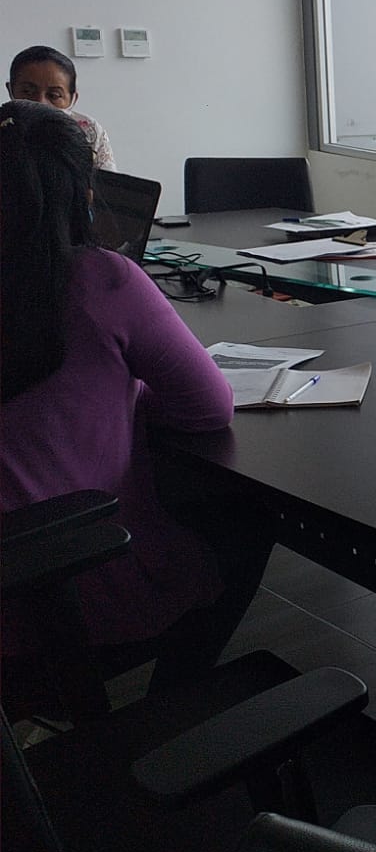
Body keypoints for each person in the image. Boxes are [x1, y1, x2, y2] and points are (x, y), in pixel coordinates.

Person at [0, 101, 265, 693]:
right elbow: (208, 408)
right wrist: (129, 390)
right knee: (244, 519)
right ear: (85, 195)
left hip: (24, 571)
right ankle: (168, 712)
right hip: (57, 590)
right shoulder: (101, 278)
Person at [7, 44, 115, 169]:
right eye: (27, 92)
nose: (40, 102)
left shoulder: (90, 131)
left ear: (73, 99)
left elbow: (107, 179)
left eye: (54, 95)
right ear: (11, 90)